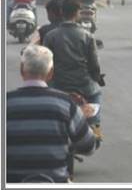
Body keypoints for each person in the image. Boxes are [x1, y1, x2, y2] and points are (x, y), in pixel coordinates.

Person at [5, 44, 97, 183]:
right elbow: (89, 147)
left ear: (22, 69)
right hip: (55, 181)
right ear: (51, 73)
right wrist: (86, 120)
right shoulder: (66, 103)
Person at [43, 0, 105, 140]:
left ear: (61, 12)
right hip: (85, 86)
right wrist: (97, 78)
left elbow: (47, 64)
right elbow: (94, 65)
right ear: (77, 13)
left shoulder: (50, 36)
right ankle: (95, 130)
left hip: (58, 85)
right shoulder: (87, 36)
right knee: (96, 95)